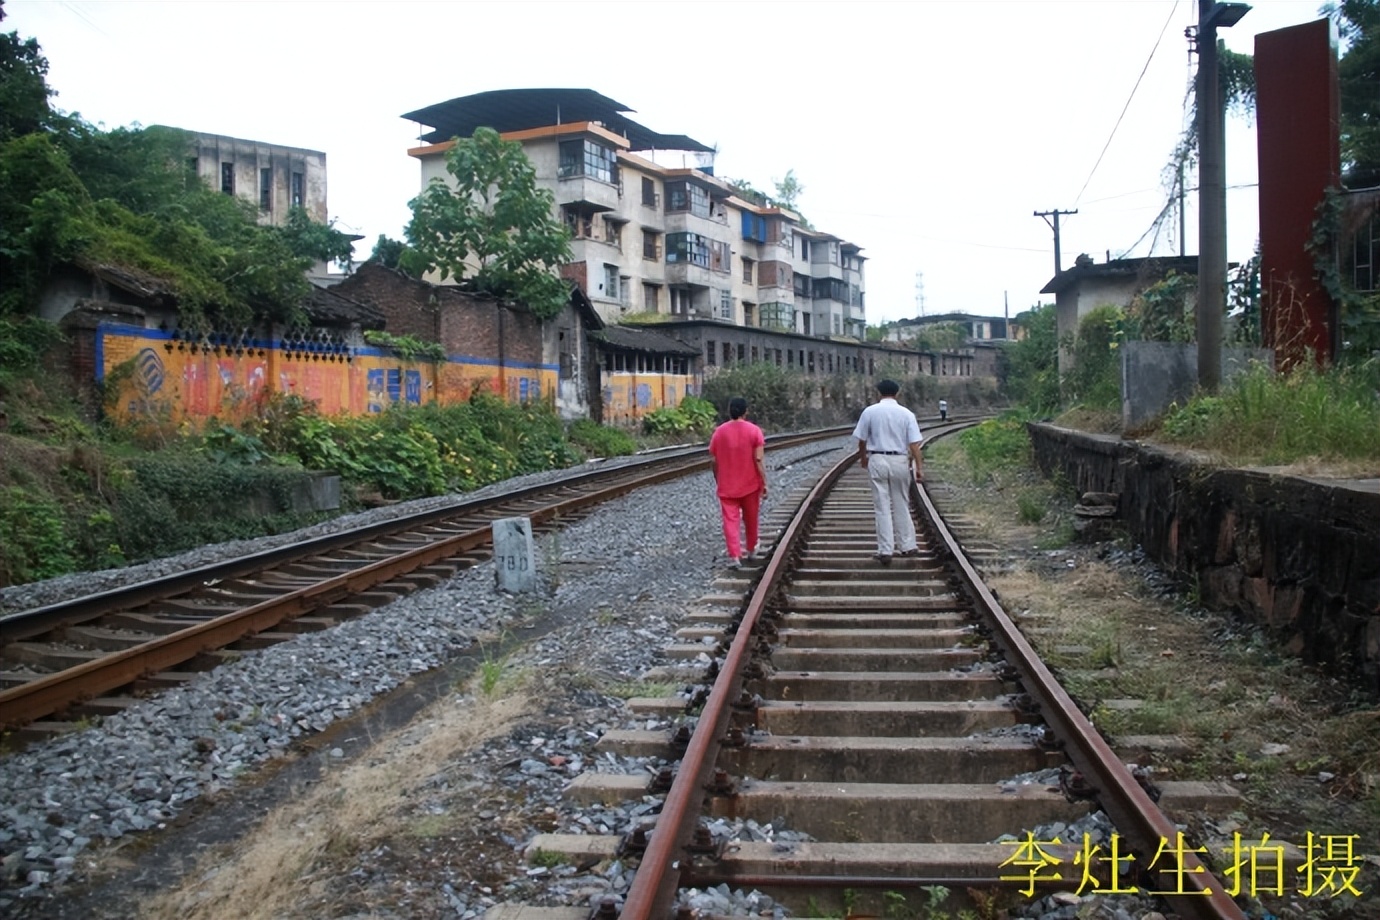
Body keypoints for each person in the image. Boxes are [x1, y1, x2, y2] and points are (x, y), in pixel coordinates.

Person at [852, 379, 924, 565]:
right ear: (898, 393)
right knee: (901, 502)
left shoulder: (870, 412)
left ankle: (885, 549)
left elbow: (862, 440)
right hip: (899, 459)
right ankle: (908, 545)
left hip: (877, 458)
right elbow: (914, 445)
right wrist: (919, 468)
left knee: (881, 506)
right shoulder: (907, 414)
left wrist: (863, 458)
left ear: (878, 393)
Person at [708, 396, 767, 569]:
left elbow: (713, 460)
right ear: (746, 411)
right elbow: (758, 459)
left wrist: (718, 478)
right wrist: (764, 482)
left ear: (729, 411)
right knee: (751, 518)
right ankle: (751, 549)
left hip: (727, 485)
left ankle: (735, 555)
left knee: (730, 520)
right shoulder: (755, 431)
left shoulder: (719, 432)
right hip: (750, 484)